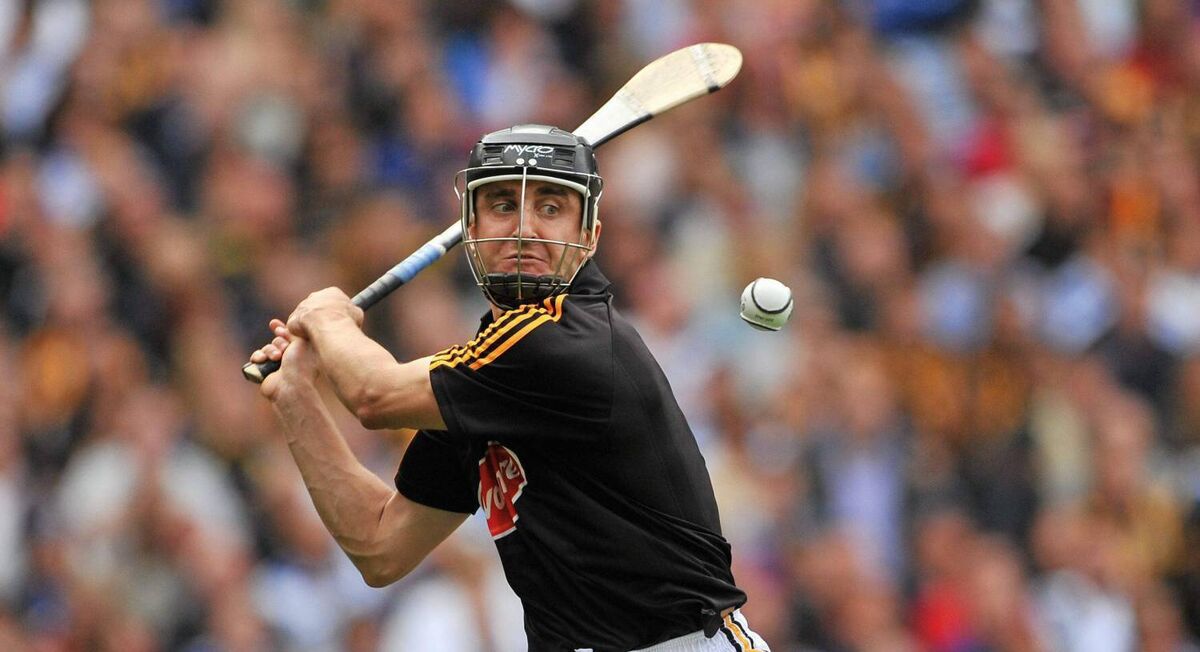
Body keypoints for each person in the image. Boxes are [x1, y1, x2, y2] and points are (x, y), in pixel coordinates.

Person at [249, 124, 770, 651]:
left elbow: (372, 395)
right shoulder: (489, 378)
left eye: (550, 207)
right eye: (502, 204)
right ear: (470, 228)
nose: (524, 228)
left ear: (588, 235)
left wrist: (327, 316)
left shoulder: (571, 341)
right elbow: (381, 546)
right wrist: (296, 400)